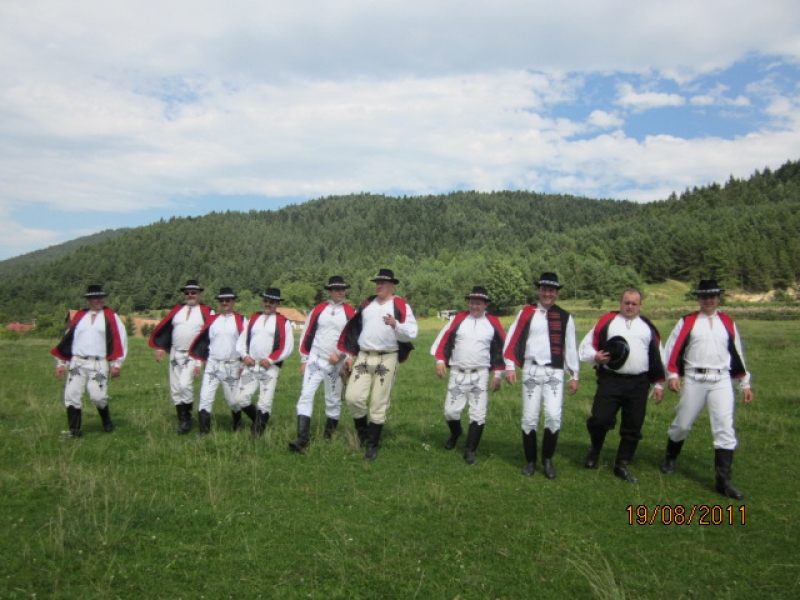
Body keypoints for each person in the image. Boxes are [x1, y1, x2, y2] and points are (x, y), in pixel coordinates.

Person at [660, 280, 753, 500]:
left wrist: (744, 383)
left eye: (712, 297)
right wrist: (672, 375)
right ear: (698, 299)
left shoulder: (727, 322)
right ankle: (670, 457)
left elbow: (736, 353)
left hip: (721, 379)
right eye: (704, 297)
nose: (708, 300)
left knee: (724, 428)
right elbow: (673, 350)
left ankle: (723, 481)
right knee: (682, 423)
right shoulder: (688, 321)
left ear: (718, 298)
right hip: (694, 378)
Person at [579, 289, 666, 483]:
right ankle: (595, 449)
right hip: (611, 380)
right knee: (599, 419)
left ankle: (622, 463)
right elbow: (586, 346)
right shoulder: (607, 322)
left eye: (634, 303)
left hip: (638, 383)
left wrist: (659, 384)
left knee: (633, 426)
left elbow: (657, 356)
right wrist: (595, 357)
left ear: (640, 306)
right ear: (620, 303)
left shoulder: (647, 327)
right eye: (627, 302)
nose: (630, 306)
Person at [504, 272, 579, 478]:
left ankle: (547, 459)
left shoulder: (565, 317)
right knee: (529, 417)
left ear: (556, 293)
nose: (548, 293)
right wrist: (510, 365)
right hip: (531, 369)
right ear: (539, 290)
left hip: (555, 371)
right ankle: (530, 461)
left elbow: (570, 347)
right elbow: (513, 338)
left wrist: (574, 375)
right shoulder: (526, 313)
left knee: (554, 416)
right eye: (544, 289)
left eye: (551, 290)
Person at [338, 268, 418, 460]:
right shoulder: (367, 304)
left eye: (383, 283)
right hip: (364, 356)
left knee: (378, 400)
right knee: (353, 397)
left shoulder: (400, 305)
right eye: (377, 282)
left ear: (392, 285)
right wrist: (349, 355)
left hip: (387, 357)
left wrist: (395, 324)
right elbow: (354, 329)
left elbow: (412, 332)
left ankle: (372, 444)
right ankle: (363, 431)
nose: (379, 286)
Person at [430, 286, 506, 465]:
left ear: (486, 305)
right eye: (472, 302)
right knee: (450, 411)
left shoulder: (493, 323)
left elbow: (500, 349)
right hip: (458, 373)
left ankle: (470, 450)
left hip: (480, 374)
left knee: (478, 413)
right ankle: (456, 433)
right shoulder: (458, 319)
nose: (475, 306)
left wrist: (498, 375)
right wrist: (440, 361)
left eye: (479, 303)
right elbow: (444, 339)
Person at [288, 276, 355, 452]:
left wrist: (344, 355)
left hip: (336, 364)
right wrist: (304, 359)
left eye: (343, 288)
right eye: (337, 289)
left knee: (332, 400)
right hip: (315, 359)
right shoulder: (318, 310)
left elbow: (353, 337)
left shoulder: (349, 311)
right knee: (306, 395)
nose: (341, 291)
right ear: (329, 291)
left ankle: (328, 436)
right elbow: (307, 334)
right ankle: (302, 439)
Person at [51, 284, 128, 437]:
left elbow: (121, 339)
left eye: (101, 297)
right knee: (72, 395)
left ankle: (106, 420)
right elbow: (67, 340)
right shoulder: (80, 317)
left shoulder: (110, 316)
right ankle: (74, 431)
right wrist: (61, 363)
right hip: (77, 363)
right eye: (94, 297)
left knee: (97, 395)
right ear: (88, 299)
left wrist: (117, 363)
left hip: (98, 363)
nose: (98, 300)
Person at [149, 279, 213, 434]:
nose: (190, 295)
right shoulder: (177, 310)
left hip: (192, 355)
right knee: (176, 389)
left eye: (194, 293)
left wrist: (199, 361)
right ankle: (183, 421)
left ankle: (188, 418)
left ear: (200, 294)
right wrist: (161, 348)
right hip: (175, 354)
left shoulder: (206, 311)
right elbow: (167, 329)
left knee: (185, 385)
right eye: (187, 293)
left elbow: (207, 337)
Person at [189, 287, 250, 435]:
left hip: (232, 365)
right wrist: (201, 359)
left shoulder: (241, 320)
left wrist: (243, 364)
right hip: (213, 365)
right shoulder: (212, 320)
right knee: (205, 398)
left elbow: (247, 343)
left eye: (228, 300)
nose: (224, 303)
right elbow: (204, 341)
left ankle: (237, 425)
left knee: (233, 400)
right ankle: (204, 433)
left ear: (233, 301)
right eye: (222, 300)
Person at [235, 288, 294, 436]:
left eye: (272, 302)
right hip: (250, 366)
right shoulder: (254, 318)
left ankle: (257, 433)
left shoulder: (283, 322)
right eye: (266, 301)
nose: (268, 304)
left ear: (277, 303)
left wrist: (271, 360)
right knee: (240, 398)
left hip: (269, 368)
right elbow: (242, 339)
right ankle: (258, 421)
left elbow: (287, 346)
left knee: (265, 401)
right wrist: (244, 355)